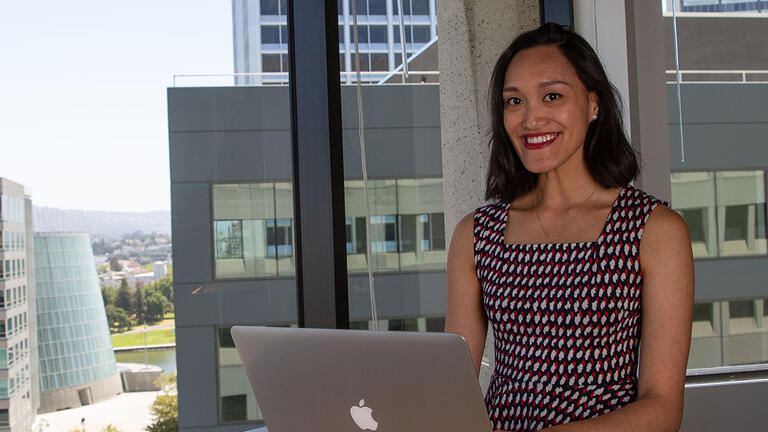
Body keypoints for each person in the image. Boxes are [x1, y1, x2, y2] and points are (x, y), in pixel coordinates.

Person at [445, 23, 694, 432]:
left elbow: (664, 408)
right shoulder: (476, 234)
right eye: (514, 101)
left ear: (594, 104)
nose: (530, 118)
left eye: (552, 96)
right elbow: (451, 390)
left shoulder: (655, 230)